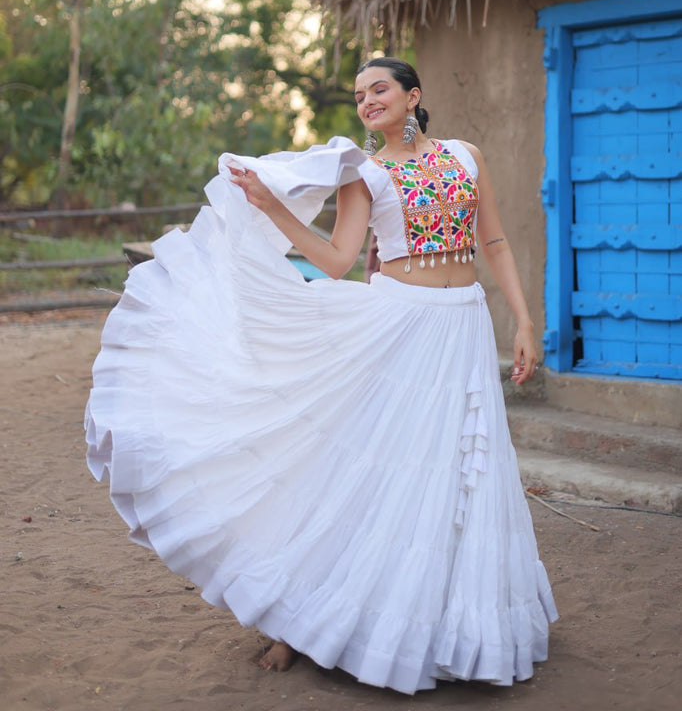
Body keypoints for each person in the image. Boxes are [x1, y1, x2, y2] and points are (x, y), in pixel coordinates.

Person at [85, 56, 557, 695]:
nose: (367, 101)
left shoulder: (467, 156)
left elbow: (494, 241)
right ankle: (298, 622)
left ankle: (445, 625)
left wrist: (525, 323)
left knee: (456, 475)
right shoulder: (363, 173)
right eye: (359, 95)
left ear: (413, 95)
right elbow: (337, 261)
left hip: (465, 325)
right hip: (402, 325)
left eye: (380, 89)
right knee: (369, 469)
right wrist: (274, 209)